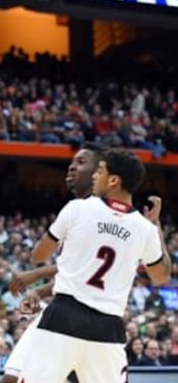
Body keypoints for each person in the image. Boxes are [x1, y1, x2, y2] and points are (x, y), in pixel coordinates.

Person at [19, 149, 172, 382]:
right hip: (108, 327)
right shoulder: (145, 229)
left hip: (62, 317)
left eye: (99, 171)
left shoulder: (77, 208)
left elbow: (38, 255)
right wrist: (156, 227)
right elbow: (162, 277)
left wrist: (68, 245)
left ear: (113, 180)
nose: (94, 176)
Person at [1, 142, 106, 383]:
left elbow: (88, 264)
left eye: (81, 163)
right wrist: (41, 291)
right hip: (68, 307)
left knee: (15, 378)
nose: (71, 168)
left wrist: (36, 275)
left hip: (84, 312)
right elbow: (76, 272)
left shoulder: (97, 212)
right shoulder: (81, 209)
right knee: (13, 377)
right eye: (72, 162)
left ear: (99, 172)